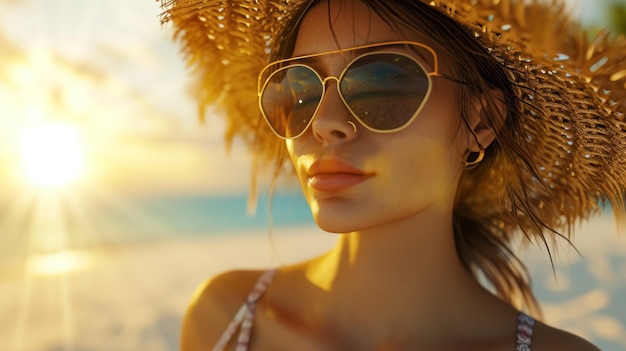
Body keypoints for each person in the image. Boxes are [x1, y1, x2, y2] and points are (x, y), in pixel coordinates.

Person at [160, 0, 626, 349]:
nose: (323, 122)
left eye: (382, 81)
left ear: (481, 122)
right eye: (298, 89)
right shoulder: (223, 315)